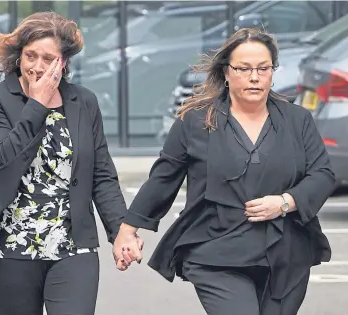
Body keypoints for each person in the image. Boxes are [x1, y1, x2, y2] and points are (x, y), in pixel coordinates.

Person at [113, 28, 336, 315]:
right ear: (227, 73)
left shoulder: (298, 120)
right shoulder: (195, 121)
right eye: (244, 69)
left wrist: (284, 202)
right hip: (217, 251)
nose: (254, 77)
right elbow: (163, 179)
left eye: (263, 68)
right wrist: (127, 230)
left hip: (286, 252)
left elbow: (322, 174)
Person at [0, 11, 141, 315]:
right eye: (30, 56)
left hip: (73, 246)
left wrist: (121, 232)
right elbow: (3, 157)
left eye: (48, 58)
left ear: (63, 62)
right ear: (19, 57)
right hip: (12, 246)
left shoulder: (83, 102)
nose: (37, 66)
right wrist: (36, 104)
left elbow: (101, 174)